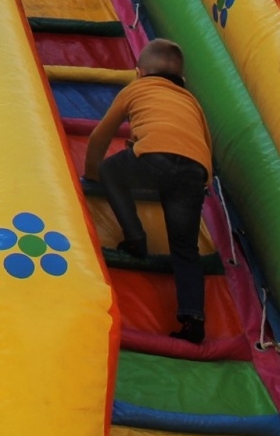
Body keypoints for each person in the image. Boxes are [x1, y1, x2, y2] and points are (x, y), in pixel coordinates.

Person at [84, 39, 214, 344]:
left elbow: (100, 136)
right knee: (185, 248)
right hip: (194, 171)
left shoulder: (136, 89)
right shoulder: (191, 100)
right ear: (182, 80)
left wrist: (92, 174)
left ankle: (136, 237)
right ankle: (193, 319)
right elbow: (205, 143)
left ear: (139, 73)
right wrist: (202, 182)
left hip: (153, 158)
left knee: (111, 170)